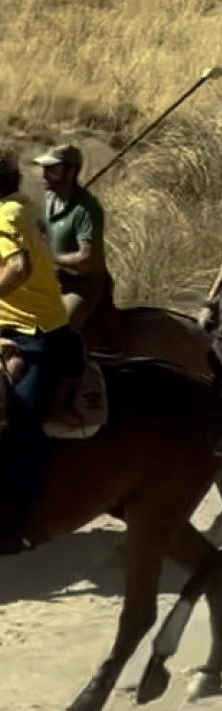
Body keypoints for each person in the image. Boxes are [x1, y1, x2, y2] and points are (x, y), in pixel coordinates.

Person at [0, 148, 85, 554]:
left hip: (34, 333)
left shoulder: (8, 214)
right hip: (10, 324)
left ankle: (29, 515)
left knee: (21, 414)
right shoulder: (22, 205)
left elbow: (17, 267)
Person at [33, 144, 120, 354]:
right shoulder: (50, 200)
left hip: (83, 286)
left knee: (56, 331)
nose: (45, 174)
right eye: (44, 169)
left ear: (71, 172)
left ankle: (76, 380)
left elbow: (86, 260)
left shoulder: (87, 210)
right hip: (53, 280)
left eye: (53, 170)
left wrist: (51, 258)